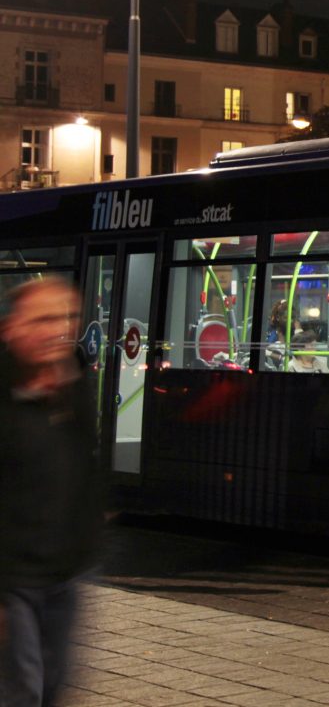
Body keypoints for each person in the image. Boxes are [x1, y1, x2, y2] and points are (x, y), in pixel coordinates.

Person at [0, 277, 102, 706]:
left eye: (63, 319)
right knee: (20, 689)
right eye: (42, 319)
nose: (55, 331)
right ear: (12, 327)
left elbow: (85, 468)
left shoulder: (74, 384)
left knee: (53, 685)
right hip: (11, 578)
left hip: (66, 574)